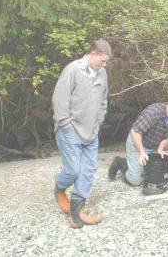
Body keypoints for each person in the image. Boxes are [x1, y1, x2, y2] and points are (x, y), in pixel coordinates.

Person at [52, 39, 112, 228]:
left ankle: (77, 214)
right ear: (93, 54)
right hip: (70, 129)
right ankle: (60, 189)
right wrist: (65, 125)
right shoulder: (73, 69)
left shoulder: (102, 73)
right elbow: (59, 99)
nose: (104, 65)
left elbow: (104, 101)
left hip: (91, 131)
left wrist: (98, 122)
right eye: (102, 60)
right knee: (73, 170)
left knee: (87, 171)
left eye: (106, 62)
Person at [108, 96, 168, 190]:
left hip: (154, 145)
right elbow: (135, 132)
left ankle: (139, 164)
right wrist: (141, 152)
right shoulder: (153, 113)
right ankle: (120, 162)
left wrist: (160, 149)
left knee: (154, 176)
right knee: (136, 181)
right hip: (137, 143)